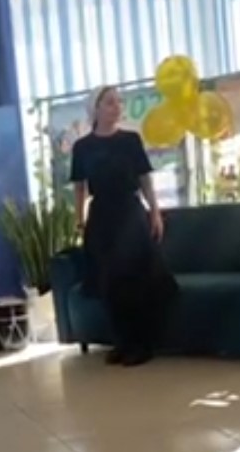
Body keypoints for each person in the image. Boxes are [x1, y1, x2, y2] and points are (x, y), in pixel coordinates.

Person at [70, 86, 179, 367]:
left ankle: (141, 344)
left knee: (132, 278)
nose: (117, 107)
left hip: (129, 213)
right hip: (101, 215)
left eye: (119, 102)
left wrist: (155, 212)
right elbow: (80, 187)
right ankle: (122, 341)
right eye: (110, 102)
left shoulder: (130, 140)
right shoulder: (82, 147)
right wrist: (79, 219)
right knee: (109, 281)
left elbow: (144, 178)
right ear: (95, 108)